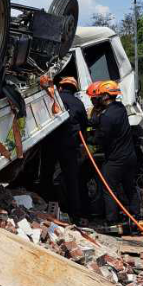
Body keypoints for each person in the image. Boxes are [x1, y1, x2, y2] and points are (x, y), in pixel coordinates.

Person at [88, 79, 140, 225]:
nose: (96, 99)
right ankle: (135, 217)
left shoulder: (107, 117)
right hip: (130, 157)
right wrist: (91, 122)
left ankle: (112, 221)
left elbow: (101, 138)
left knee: (109, 189)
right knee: (130, 188)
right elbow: (101, 119)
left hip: (116, 160)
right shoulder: (120, 108)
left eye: (98, 96)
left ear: (105, 97)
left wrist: (88, 139)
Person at [52, 75, 89, 223]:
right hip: (71, 146)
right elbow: (85, 124)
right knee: (72, 179)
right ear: (74, 89)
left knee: (46, 176)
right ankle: (75, 215)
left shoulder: (55, 98)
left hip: (52, 143)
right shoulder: (79, 103)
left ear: (60, 87)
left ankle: (48, 204)